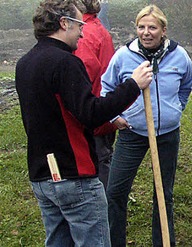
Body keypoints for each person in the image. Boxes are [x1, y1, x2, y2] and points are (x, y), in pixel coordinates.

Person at [14, 0, 153, 245]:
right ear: (64, 23)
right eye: (79, 24)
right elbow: (90, 113)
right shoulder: (66, 62)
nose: (82, 31)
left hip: (42, 175)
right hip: (74, 175)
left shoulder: (25, 63)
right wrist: (132, 85)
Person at [101, 4, 192, 246]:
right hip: (132, 134)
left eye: (152, 27)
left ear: (163, 30)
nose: (146, 32)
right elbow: (107, 88)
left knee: (164, 194)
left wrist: (175, 109)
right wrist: (114, 117)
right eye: (141, 27)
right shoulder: (124, 56)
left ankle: (163, 241)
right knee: (115, 192)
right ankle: (115, 241)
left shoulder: (179, 55)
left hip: (166, 135)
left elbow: (187, 84)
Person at [74, 0, 116, 189]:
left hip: (91, 112)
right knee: (104, 158)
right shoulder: (98, 28)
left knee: (97, 163)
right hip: (104, 109)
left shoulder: (83, 33)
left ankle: (105, 212)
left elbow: (82, 75)